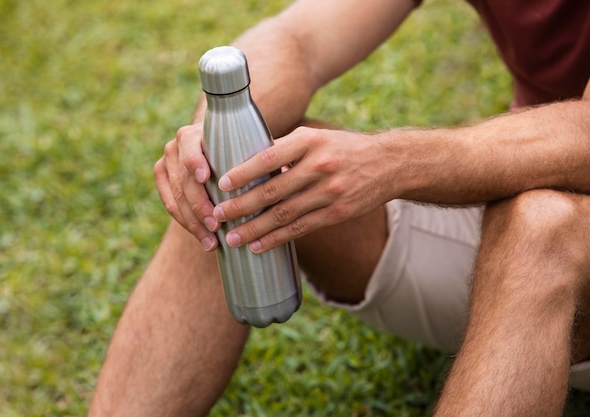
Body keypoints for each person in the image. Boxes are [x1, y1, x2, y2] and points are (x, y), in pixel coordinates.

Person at [88, 0, 590, 415]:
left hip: (550, 245)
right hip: (503, 247)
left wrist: (392, 161)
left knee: (542, 222)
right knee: (228, 176)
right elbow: (298, 37)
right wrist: (211, 140)